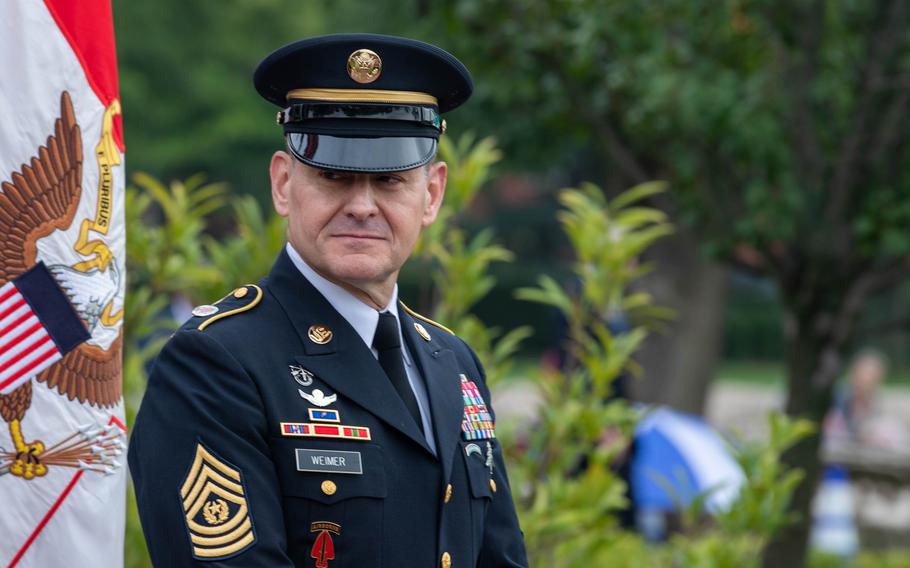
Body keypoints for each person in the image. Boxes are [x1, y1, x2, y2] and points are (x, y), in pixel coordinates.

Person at [128, 34, 528, 567]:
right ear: (283, 184)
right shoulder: (217, 363)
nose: (362, 205)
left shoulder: (452, 362)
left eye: (389, 180)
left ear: (431, 195)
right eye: (333, 176)